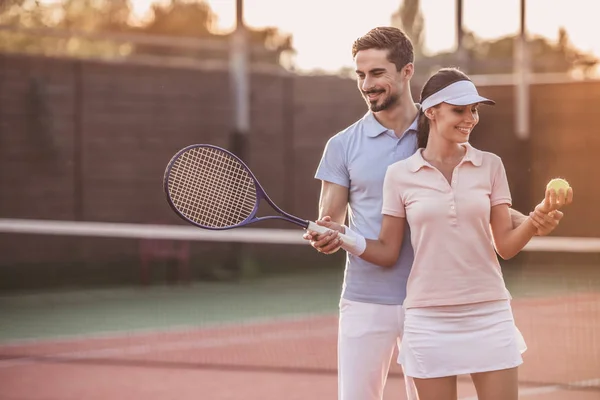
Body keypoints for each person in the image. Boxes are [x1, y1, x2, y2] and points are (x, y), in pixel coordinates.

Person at [303, 27, 567, 400]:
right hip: (368, 299)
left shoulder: (444, 131)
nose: (366, 84)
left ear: (406, 71)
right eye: (360, 75)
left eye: (377, 73)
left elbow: (468, 202)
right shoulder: (341, 146)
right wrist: (327, 234)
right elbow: (331, 219)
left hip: (430, 303)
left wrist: (533, 220)